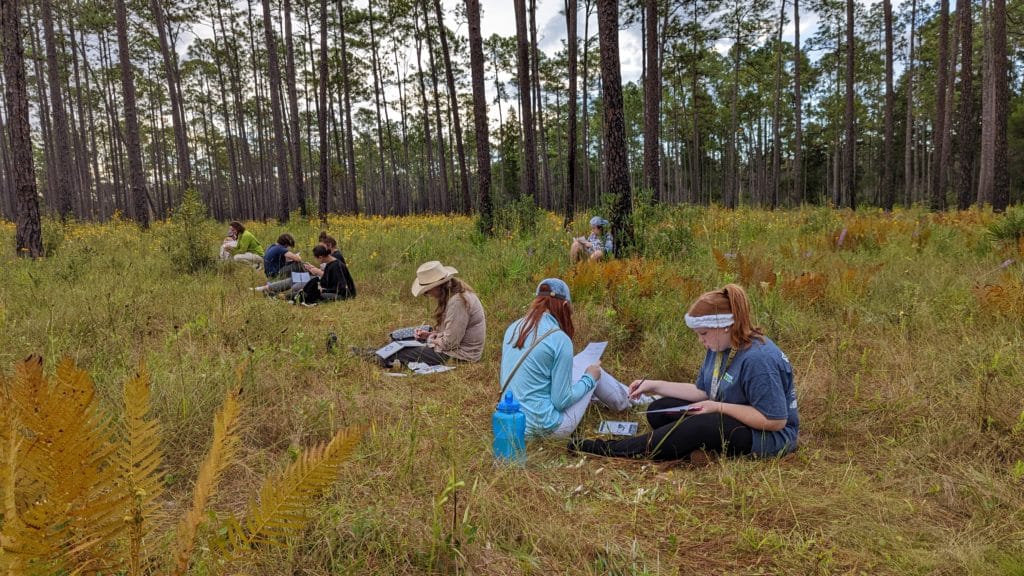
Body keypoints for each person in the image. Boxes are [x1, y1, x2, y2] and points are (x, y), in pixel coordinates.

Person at [569, 283, 799, 461]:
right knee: (658, 411)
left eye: (703, 333)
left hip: (767, 437)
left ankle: (612, 449)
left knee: (705, 424)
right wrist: (653, 385)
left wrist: (717, 407)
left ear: (725, 326)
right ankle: (698, 445)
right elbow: (702, 391)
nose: (701, 341)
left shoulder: (759, 360)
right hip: (732, 417)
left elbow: (775, 420)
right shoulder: (721, 345)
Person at [499, 279, 631, 439]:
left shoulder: (513, 328)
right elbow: (561, 401)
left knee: (581, 368)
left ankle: (632, 394)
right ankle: (629, 401)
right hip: (546, 428)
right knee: (595, 371)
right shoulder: (559, 339)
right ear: (564, 305)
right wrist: (590, 379)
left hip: (512, 421)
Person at [378, 261, 486, 368]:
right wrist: (428, 335)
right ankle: (375, 354)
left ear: (438, 286)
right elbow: (450, 332)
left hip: (460, 356)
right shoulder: (454, 297)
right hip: (454, 350)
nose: (428, 295)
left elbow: (450, 343)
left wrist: (430, 340)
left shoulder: (457, 302)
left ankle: (375, 356)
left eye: (427, 291)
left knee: (401, 351)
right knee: (400, 339)